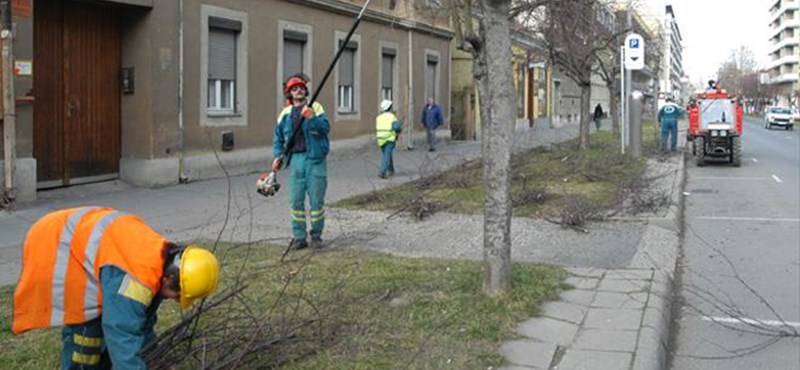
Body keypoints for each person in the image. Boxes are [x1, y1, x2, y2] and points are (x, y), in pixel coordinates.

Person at [12, 206, 220, 369]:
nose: (175, 300)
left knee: (109, 327)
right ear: (170, 278)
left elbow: (142, 323)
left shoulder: (159, 263)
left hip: (82, 243)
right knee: (88, 333)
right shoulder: (136, 278)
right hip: (57, 243)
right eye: (177, 295)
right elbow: (122, 332)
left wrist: (155, 361)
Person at [273, 74, 330, 250]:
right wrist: (277, 156)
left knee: (316, 201)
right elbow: (278, 138)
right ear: (289, 93)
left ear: (305, 90)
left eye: (301, 88)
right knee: (296, 201)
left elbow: (325, 129)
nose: (298, 90)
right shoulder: (285, 114)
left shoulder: (316, 107)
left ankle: (316, 236)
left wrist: (312, 117)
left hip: (315, 159)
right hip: (296, 160)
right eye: (294, 88)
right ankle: (299, 237)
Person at [375, 99, 403, 179]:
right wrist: (399, 131)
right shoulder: (392, 117)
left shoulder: (379, 117)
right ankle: (382, 171)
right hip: (389, 138)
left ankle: (391, 170)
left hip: (380, 139)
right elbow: (397, 127)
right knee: (387, 155)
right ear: (389, 108)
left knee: (387, 154)